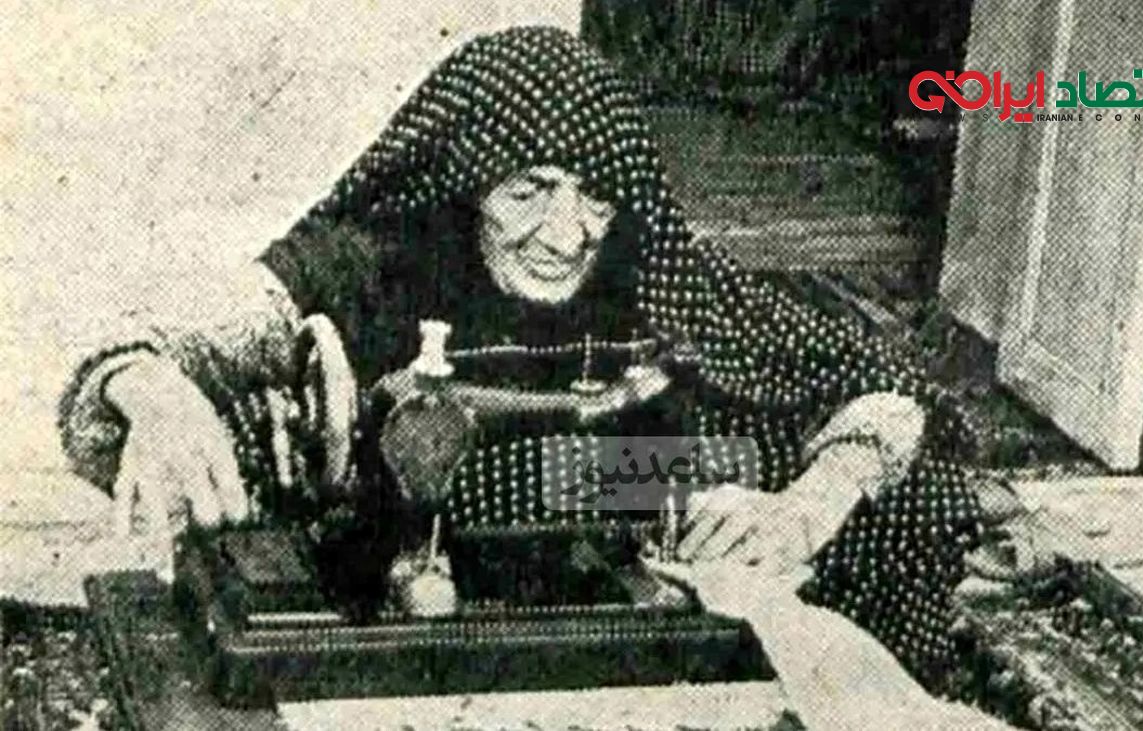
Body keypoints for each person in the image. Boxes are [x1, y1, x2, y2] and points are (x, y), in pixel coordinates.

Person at [58, 26, 1007, 692]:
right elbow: (131, 360)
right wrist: (146, 384)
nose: (566, 233)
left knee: (908, 492)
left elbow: (887, 384)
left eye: (594, 195)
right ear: (468, 179)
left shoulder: (651, 264)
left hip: (622, 499)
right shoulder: (375, 258)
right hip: (403, 541)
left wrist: (808, 502)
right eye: (528, 191)